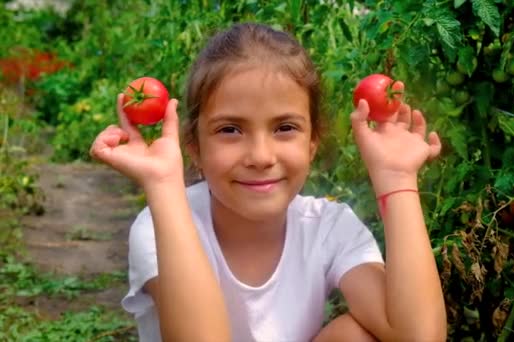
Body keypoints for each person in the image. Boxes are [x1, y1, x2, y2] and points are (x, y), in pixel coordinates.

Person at [90, 23, 446, 342]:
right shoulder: (161, 223)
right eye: (230, 130)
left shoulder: (328, 227)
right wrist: (163, 186)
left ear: (312, 142)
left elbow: (417, 335)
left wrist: (397, 180)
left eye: (285, 128)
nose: (261, 156)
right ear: (194, 148)